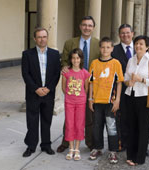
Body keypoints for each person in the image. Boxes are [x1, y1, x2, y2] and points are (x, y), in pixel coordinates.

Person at [57, 16, 100, 153]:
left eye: (90, 25)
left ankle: (89, 142)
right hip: (73, 85)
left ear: (93, 28)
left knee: (88, 116)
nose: (87, 27)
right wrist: (64, 68)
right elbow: (64, 60)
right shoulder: (70, 42)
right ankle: (65, 142)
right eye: (84, 25)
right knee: (69, 117)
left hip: (90, 84)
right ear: (80, 26)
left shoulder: (97, 44)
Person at [21, 27, 61, 157]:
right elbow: (25, 74)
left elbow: (56, 74)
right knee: (32, 121)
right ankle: (31, 146)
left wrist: (48, 88)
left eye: (44, 37)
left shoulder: (55, 54)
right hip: (33, 93)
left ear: (47, 38)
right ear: (34, 39)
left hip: (48, 93)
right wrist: (36, 89)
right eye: (39, 37)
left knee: (46, 120)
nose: (42, 39)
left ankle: (46, 145)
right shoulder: (27, 54)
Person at [124, 35, 149, 166]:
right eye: (136, 43)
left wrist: (142, 80)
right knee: (131, 127)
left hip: (144, 97)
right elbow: (125, 78)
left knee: (143, 128)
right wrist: (130, 82)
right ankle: (130, 155)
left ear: (147, 47)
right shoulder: (131, 60)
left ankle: (139, 157)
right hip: (130, 96)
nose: (138, 46)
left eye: (141, 44)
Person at [88, 37, 124, 164]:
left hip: (110, 102)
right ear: (99, 48)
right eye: (103, 47)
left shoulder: (116, 63)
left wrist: (118, 99)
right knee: (96, 127)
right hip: (97, 102)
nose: (105, 49)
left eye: (108, 47)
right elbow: (91, 82)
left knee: (111, 127)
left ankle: (113, 151)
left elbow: (119, 83)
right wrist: (90, 98)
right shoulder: (94, 63)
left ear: (112, 49)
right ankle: (97, 148)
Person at [61, 48, 90, 160]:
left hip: (81, 103)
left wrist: (81, 96)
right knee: (69, 124)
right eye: (73, 58)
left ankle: (77, 148)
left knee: (79, 124)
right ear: (70, 59)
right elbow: (63, 87)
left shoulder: (85, 73)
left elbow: (86, 88)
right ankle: (71, 148)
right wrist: (70, 96)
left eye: (77, 58)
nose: (75, 60)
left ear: (81, 59)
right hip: (69, 102)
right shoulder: (66, 72)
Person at [111, 24, 134, 152]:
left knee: (137, 119)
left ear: (132, 33)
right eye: (122, 33)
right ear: (119, 35)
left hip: (139, 91)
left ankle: (138, 144)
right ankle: (122, 143)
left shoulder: (139, 48)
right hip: (121, 91)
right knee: (122, 118)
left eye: (127, 32)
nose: (125, 35)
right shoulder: (114, 51)